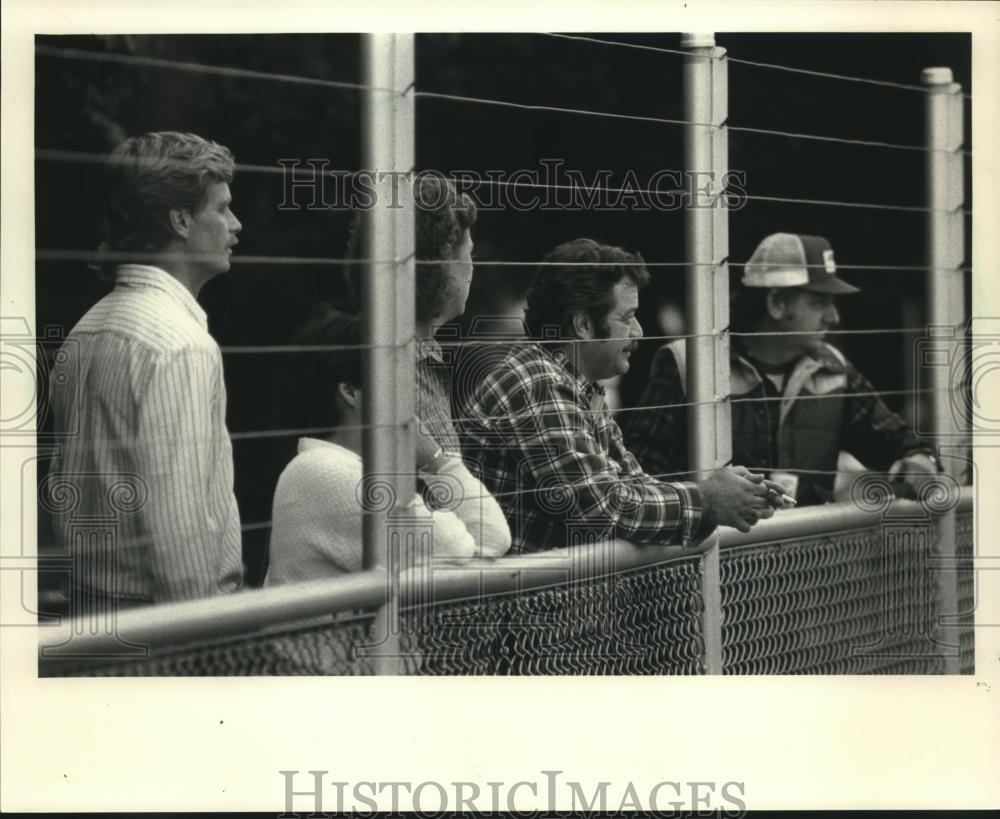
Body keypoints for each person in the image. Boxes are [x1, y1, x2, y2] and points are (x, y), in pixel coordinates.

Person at [458, 238, 789, 554]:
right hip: (515, 607)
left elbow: (633, 484)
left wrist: (729, 494)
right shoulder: (538, 383)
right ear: (584, 324)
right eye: (627, 317)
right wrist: (707, 499)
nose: (639, 333)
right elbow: (602, 509)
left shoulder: (577, 384)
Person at [47, 131, 244, 606]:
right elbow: (181, 537)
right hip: (168, 630)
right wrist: (207, 642)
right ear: (179, 219)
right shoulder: (182, 346)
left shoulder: (85, 328)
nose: (236, 225)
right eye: (221, 209)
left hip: (89, 608)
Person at [624, 232, 939, 506]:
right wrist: (707, 501)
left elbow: (895, 439)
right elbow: (641, 481)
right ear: (776, 303)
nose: (834, 317)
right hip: (709, 567)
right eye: (819, 302)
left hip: (805, 568)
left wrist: (919, 462)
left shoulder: (833, 369)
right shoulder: (687, 363)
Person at [264, 307, 511, 585]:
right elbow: (469, 544)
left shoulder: (344, 467)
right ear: (351, 393)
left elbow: (492, 538)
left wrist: (438, 462)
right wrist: (437, 461)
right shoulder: (326, 472)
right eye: (394, 380)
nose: (408, 397)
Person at [345, 173, 476, 454]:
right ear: (442, 263)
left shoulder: (417, 356)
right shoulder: (395, 372)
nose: (473, 267)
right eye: (470, 253)